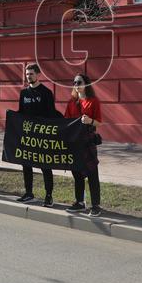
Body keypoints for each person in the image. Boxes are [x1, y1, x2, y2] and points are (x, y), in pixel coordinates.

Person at [16, 63, 57, 207]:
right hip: (27, 136)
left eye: (31, 74)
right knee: (26, 164)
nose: (28, 76)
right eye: (27, 74)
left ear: (38, 74)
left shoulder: (46, 93)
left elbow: (51, 114)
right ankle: (29, 193)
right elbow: (20, 113)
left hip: (42, 136)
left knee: (45, 165)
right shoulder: (24, 93)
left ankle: (49, 196)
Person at [65, 74, 105, 215]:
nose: (76, 84)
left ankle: (95, 205)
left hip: (88, 141)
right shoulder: (71, 102)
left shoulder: (93, 101)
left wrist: (90, 121)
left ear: (86, 84)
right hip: (74, 142)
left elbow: (99, 122)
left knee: (92, 173)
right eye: (74, 82)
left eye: (79, 82)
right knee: (76, 173)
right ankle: (80, 202)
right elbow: (66, 122)